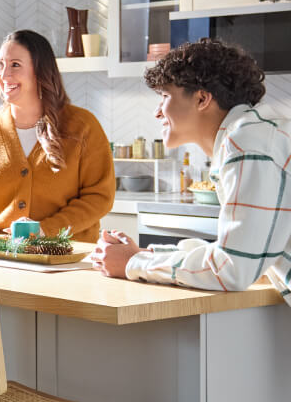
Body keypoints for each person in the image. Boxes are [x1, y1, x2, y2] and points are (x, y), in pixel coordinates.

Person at [90, 39, 290, 303]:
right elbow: (241, 254)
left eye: (165, 96)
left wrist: (134, 263)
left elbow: (231, 268)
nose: (157, 112)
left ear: (202, 98)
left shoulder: (245, 144)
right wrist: (144, 255)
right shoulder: (254, 132)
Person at [0, 29, 115, 241]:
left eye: (15, 65)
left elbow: (99, 197)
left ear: (40, 71)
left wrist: (45, 230)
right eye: (0, 64)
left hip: (66, 256)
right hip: (0, 254)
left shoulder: (83, 126)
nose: (4, 75)